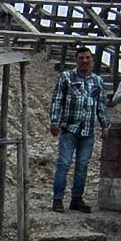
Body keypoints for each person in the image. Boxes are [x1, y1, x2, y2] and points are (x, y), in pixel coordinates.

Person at [49, 46, 109, 212]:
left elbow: (101, 105)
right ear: (76, 60)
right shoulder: (67, 77)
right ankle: (57, 199)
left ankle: (77, 199)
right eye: (81, 58)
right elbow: (57, 100)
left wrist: (105, 125)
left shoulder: (98, 81)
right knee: (64, 163)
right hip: (69, 129)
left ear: (92, 60)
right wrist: (54, 122)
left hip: (88, 130)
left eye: (87, 58)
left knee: (82, 165)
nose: (84, 61)